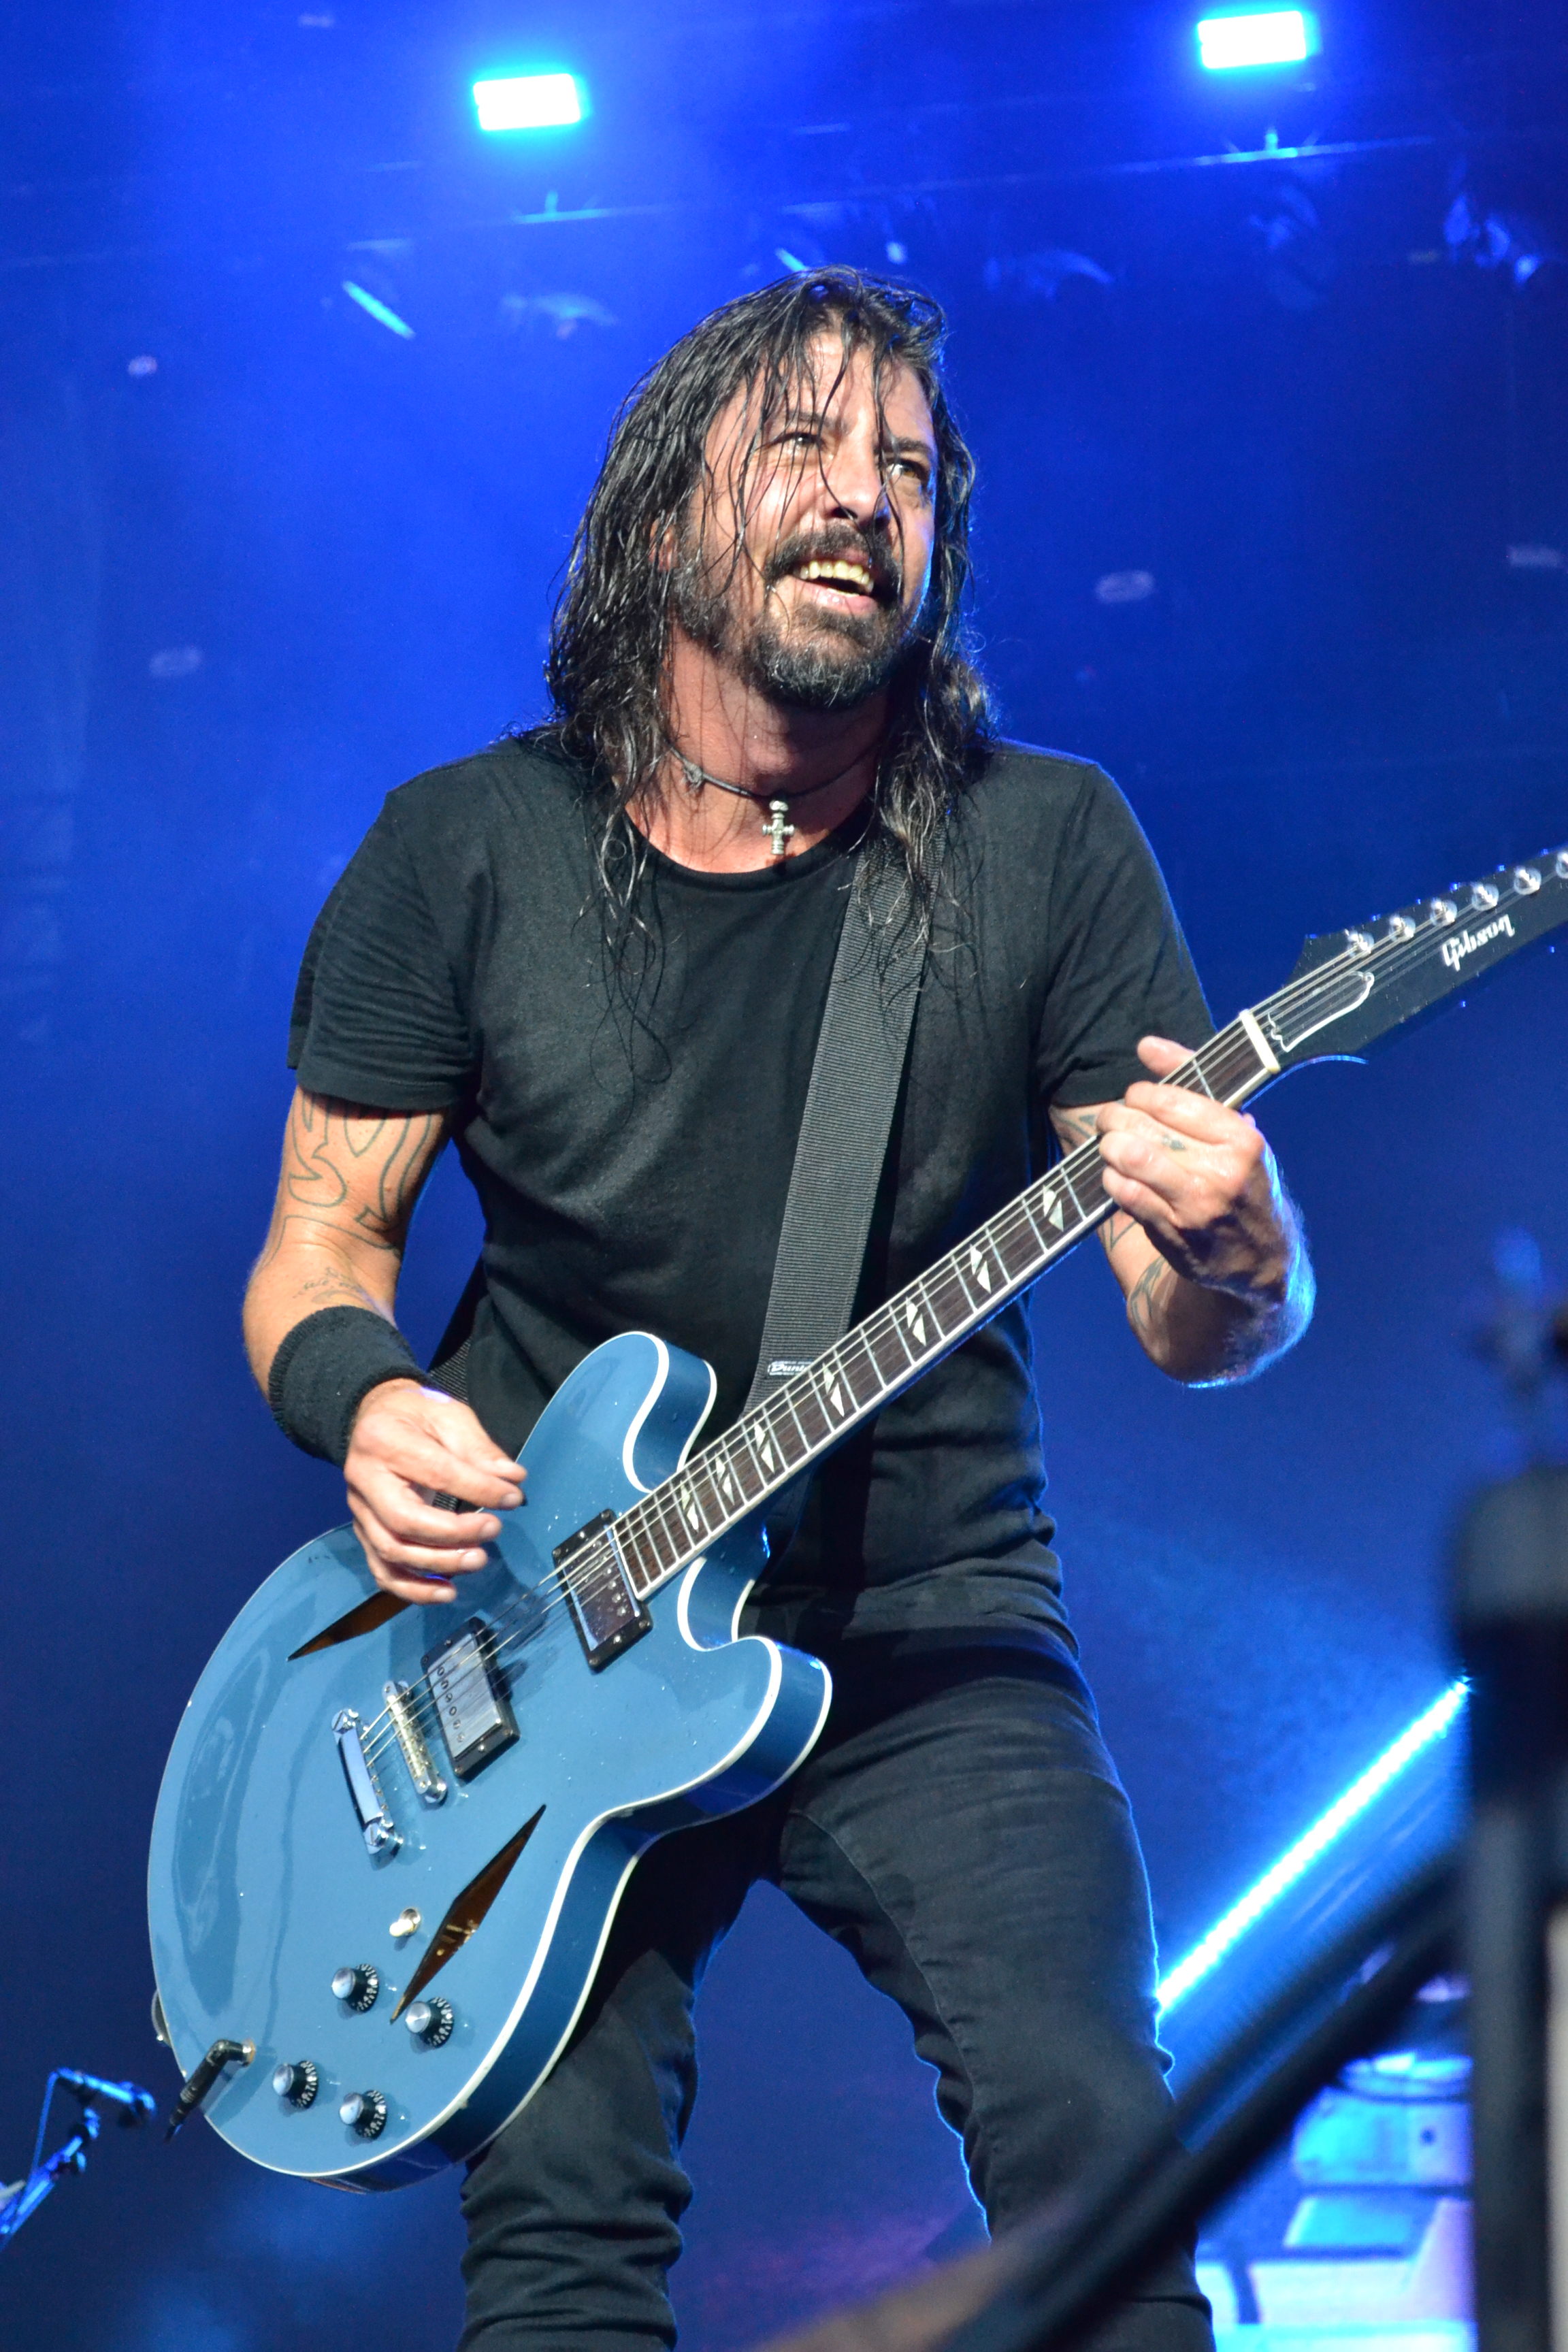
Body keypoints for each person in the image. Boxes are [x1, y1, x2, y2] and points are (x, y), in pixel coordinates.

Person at [244, 270, 1313, 2351]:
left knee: (1103, 2160)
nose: (861, 499)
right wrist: (364, 1399)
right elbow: (316, 1243)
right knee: (559, 2238)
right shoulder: (464, 851)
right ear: (665, 520)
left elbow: (1185, 1321)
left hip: (926, 1625)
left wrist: (1245, 1254)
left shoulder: (1040, 844)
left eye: (906, 470)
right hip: (552, 1634)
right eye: (803, 448)